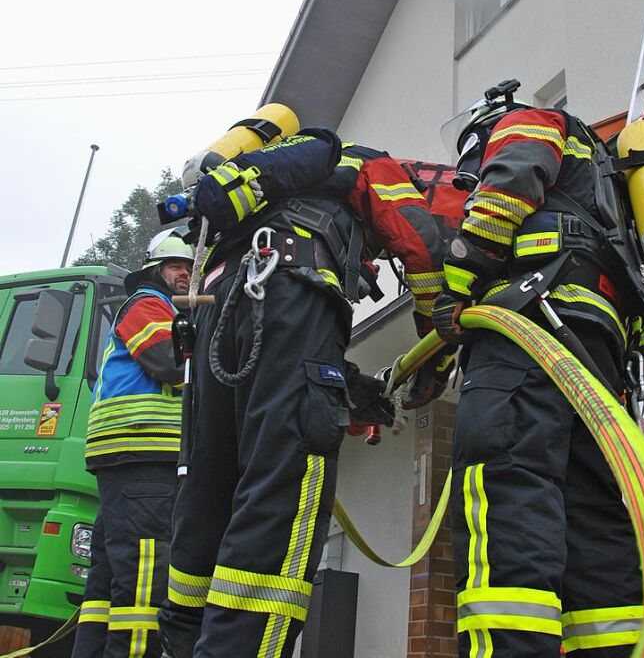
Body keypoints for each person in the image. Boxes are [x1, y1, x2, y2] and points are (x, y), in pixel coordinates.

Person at [157, 126, 457, 658]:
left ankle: (186, 642)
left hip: (216, 321)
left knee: (210, 488)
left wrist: (350, 388)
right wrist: (439, 341)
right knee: (283, 488)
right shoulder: (372, 163)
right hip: (287, 292)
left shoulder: (265, 192)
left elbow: (271, 352)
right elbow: (418, 238)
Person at [430, 78, 644, 658]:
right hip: (598, 355)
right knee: (592, 511)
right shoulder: (613, 188)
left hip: (530, 322)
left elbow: (509, 184)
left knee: (508, 480)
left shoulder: (532, 120)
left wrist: (460, 282)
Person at [72, 231, 194, 658]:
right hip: (143, 456)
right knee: (145, 578)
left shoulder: (156, 309)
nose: (186, 273)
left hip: (128, 461)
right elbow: (169, 364)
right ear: (156, 271)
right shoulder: (148, 305)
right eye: (177, 266)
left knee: (105, 584)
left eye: (190, 267)